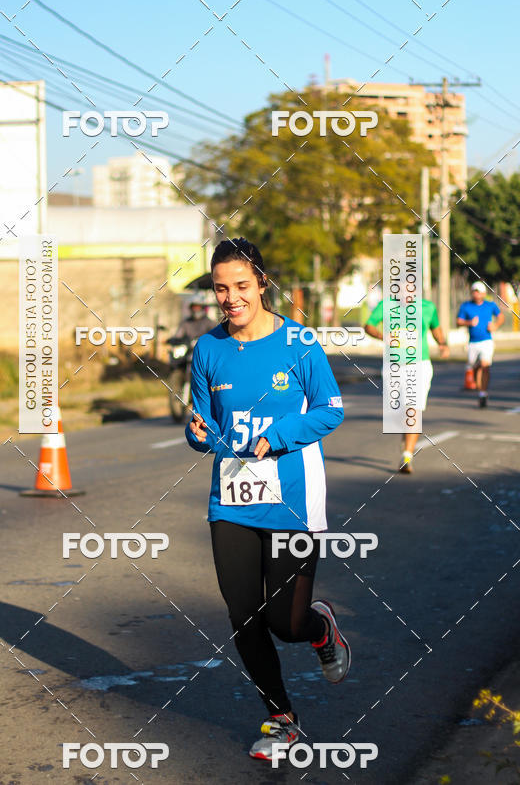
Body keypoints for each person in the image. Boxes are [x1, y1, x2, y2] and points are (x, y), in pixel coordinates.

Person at [185, 237, 348, 762]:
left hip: (293, 501)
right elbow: (203, 425)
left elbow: (330, 410)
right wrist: (196, 431)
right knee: (243, 614)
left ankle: (319, 628)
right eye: (220, 289)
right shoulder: (208, 349)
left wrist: (278, 436)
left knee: (286, 623)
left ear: (261, 284)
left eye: (240, 286)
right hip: (230, 500)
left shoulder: (299, 342)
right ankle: (283, 720)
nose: (230, 298)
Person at [364, 295, 449, 474]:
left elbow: (436, 328)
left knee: (413, 407)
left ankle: (407, 455)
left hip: (419, 365)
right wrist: (382, 336)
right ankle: (406, 444)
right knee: (399, 412)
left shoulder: (427, 307)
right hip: (392, 367)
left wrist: (442, 344)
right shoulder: (386, 305)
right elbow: (369, 325)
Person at [456, 281, 504, 408]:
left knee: (485, 365)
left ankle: (483, 394)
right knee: (475, 368)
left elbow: (501, 317)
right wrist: (469, 322)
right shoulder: (466, 306)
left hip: (487, 341)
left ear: (483, 293)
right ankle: (481, 390)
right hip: (473, 343)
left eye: (479, 292)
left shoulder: (490, 305)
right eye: (474, 291)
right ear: (472, 293)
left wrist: (495, 325)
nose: (476, 294)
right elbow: (458, 321)